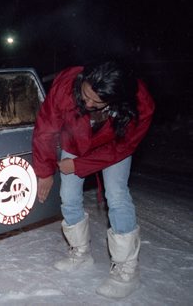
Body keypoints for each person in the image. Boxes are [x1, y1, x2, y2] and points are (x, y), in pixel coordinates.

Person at [32, 61, 155, 299]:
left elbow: (121, 148)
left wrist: (78, 165)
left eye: (96, 102)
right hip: (76, 141)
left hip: (113, 145)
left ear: (116, 99)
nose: (87, 104)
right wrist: (45, 170)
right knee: (68, 195)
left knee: (116, 193)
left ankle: (127, 268)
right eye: (85, 95)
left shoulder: (140, 106)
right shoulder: (67, 84)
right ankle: (80, 252)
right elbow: (45, 128)